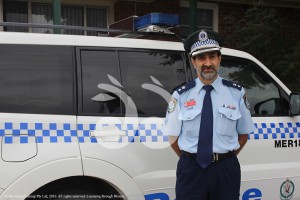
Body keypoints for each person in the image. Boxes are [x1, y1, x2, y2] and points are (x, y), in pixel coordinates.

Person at [163, 30, 255, 200]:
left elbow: (243, 135)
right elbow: (173, 138)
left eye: (212, 57)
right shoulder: (181, 95)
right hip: (191, 170)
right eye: (201, 58)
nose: (207, 63)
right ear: (193, 61)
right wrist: (193, 158)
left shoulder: (236, 93)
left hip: (225, 170)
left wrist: (222, 159)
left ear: (219, 59)